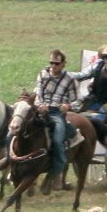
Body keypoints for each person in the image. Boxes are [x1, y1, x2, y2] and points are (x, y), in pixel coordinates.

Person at [33, 48, 82, 191]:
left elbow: (78, 100)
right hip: (40, 110)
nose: (53, 66)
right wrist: (39, 105)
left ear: (63, 64)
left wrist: (68, 105)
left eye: (56, 63)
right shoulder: (42, 74)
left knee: (57, 140)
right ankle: (9, 158)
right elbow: (37, 93)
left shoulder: (70, 79)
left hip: (56, 113)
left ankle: (56, 170)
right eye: (51, 63)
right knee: (15, 126)